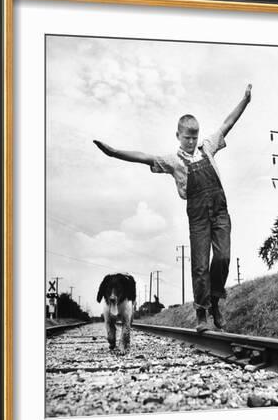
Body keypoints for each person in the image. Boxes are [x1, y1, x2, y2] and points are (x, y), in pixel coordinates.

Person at [94, 84, 252, 332]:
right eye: (187, 137)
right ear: (178, 135)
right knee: (200, 265)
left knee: (223, 257)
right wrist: (114, 153)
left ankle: (214, 299)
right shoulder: (172, 160)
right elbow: (143, 156)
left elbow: (227, 124)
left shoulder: (207, 147)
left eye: (194, 136)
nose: (191, 141)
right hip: (198, 215)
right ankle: (202, 313)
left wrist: (245, 101)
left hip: (220, 210)